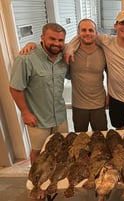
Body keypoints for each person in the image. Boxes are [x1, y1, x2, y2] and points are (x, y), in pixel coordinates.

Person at [66, 10, 124, 130]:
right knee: (119, 131)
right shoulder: (106, 42)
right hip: (115, 100)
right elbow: (83, 37)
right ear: (115, 26)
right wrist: (70, 48)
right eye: (122, 23)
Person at [9, 23, 69, 164]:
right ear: (42, 37)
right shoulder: (26, 59)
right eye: (52, 39)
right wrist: (25, 112)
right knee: (38, 151)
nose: (56, 43)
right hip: (38, 118)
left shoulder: (63, 58)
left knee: (62, 148)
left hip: (60, 116)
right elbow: (15, 88)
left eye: (60, 40)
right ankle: (36, 182)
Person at [69, 19, 107, 132]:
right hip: (79, 105)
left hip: (99, 104)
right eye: (83, 30)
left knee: (101, 138)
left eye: (91, 30)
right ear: (78, 33)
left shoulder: (104, 52)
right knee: (80, 140)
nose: (87, 33)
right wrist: (31, 45)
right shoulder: (70, 51)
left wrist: (110, 94)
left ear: (96, 33)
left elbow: (111, 75)